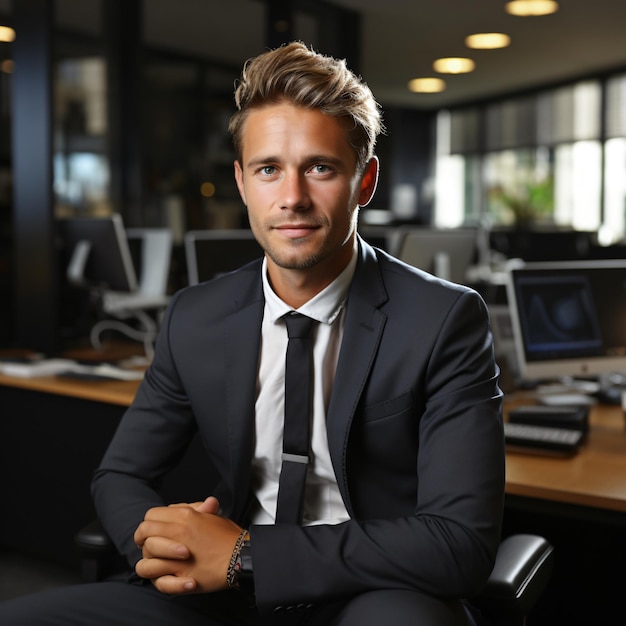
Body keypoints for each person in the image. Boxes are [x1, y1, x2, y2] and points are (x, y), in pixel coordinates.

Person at [0, 41, 504, 625]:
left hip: (375, 588)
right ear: (242, 182)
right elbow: (121, 474)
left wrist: (246, 554)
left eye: (320, 167)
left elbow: (458, 542)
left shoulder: (443, 319)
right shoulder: (196, 315)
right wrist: (167, 545)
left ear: (363, 182)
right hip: (221, 592)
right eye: (269, 169)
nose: (291, 198)